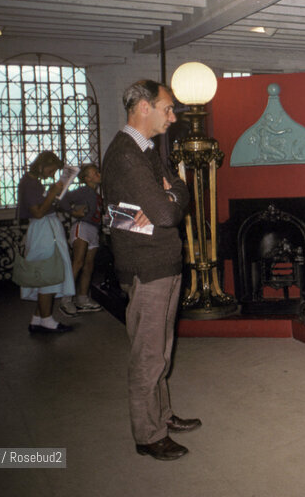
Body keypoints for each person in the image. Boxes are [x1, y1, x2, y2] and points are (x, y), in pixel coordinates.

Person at [102, 79, 197, 461]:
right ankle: (148, 434)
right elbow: (167, 214)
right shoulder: (127, 155)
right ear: (144, 107)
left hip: (161, 262)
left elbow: (180, 192)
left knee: (161, 350)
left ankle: (162, 415)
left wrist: (170, 194)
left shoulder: (146, 150)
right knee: (148, 355)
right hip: (147, 266)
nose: (172, 117)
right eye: (167, 108)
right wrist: (167, 200)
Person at [18, 151, 77, 334]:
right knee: (48, 275)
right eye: (51, 170)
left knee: (47, 275)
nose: (52, 175)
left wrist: (51, 193)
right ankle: (47, 321)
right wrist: (52, 193)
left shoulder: (31, 182)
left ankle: (37, 319)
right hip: (43, 230)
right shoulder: (30, 184)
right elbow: (37, 212)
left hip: (44, 229)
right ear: (42, 165)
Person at [59, 163, 105, 316]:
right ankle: (66, 300)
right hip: (82, 227)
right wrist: (73, 212)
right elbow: (63, 198)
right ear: (87, 178)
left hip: (93, 230)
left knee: (88, 265)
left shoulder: (96, 195)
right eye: (95, 173)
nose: (99, 174)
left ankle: (82, 299)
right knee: (78, 262)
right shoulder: (84, 190)